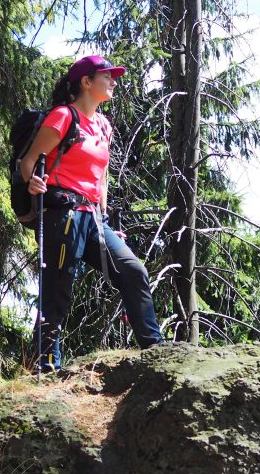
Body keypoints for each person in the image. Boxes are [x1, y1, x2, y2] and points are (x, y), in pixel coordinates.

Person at [19, 55, 163, 372]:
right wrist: (34, 182)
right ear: (86, 82)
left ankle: (155, 350)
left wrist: (106, 220)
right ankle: (46, 368)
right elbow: (28, 162)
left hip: (94, 218)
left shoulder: (103, 126)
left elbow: (101, 178)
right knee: (57, 292)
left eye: (114, 76)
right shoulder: (62, 117)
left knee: (132, 271)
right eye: (107, 76)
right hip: (62, 214)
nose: (113, 81)